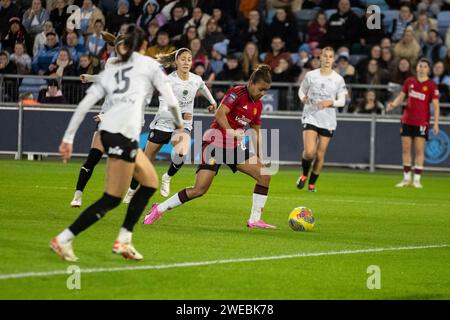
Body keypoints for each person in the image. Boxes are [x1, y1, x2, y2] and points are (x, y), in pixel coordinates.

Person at [50, 24, 183, 262]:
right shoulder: (148, 65)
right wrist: (180, 124)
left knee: (127, 191)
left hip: (111, 133)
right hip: (121, 135)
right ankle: (109, 239)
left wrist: (69, 137)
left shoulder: (114, 68)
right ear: (143, 46)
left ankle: (89, 239)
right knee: (137, 187)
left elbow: (86, 102)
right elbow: (172, 101)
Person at [143, 64, 277, 229]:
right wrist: (231, 132)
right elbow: (219, 113)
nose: (263, 94)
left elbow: (257, 132)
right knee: (199, 190)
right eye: (261, 89)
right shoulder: (236, 93)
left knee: (265, 176)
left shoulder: (258, 106)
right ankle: (159, 208)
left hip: (234, 148)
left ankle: (255, 220)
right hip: (214, 144)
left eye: (266, 91)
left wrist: (261, 158)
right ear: (251, 83)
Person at [123, 48, 217, 201]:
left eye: (189, 59)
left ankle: (167, 177)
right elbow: (163, 111)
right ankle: (132, 189)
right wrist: (180, 114)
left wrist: (213, 102)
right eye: (183, 59)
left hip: (183, 125)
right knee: (146, 161)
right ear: (176, 62)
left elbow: (203, 87)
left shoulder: (196, 79)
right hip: (163, 124)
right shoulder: (169, 81)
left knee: (182, 151)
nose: (186, 62)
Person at [296, 47, 348, 192]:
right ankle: (304, 175)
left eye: (330, 56)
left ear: (333, 59)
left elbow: (342, 101)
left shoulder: (338, 79)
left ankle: (312, 184)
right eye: (325, 56)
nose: (327, 59)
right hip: (311, 116)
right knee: (309, 151)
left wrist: (330, 102)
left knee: (320, 155)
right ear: (320, 58)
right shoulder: (311, 75)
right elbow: (301, 90)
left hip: (328, 120)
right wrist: (303, 98)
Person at [386, 58, 440, 188]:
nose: (422, 68)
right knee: (406, 150)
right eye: (420, 66)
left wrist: (436, 123)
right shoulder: (409, 81)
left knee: (419, 150)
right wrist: (393, 104)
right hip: (407, 120)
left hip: (422, 122)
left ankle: (417, 179)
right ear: (416, 68)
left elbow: (436, 106)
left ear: (428, 69)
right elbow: (401, 96)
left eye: (425, 66)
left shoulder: (431, 85)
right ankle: (406, 178)